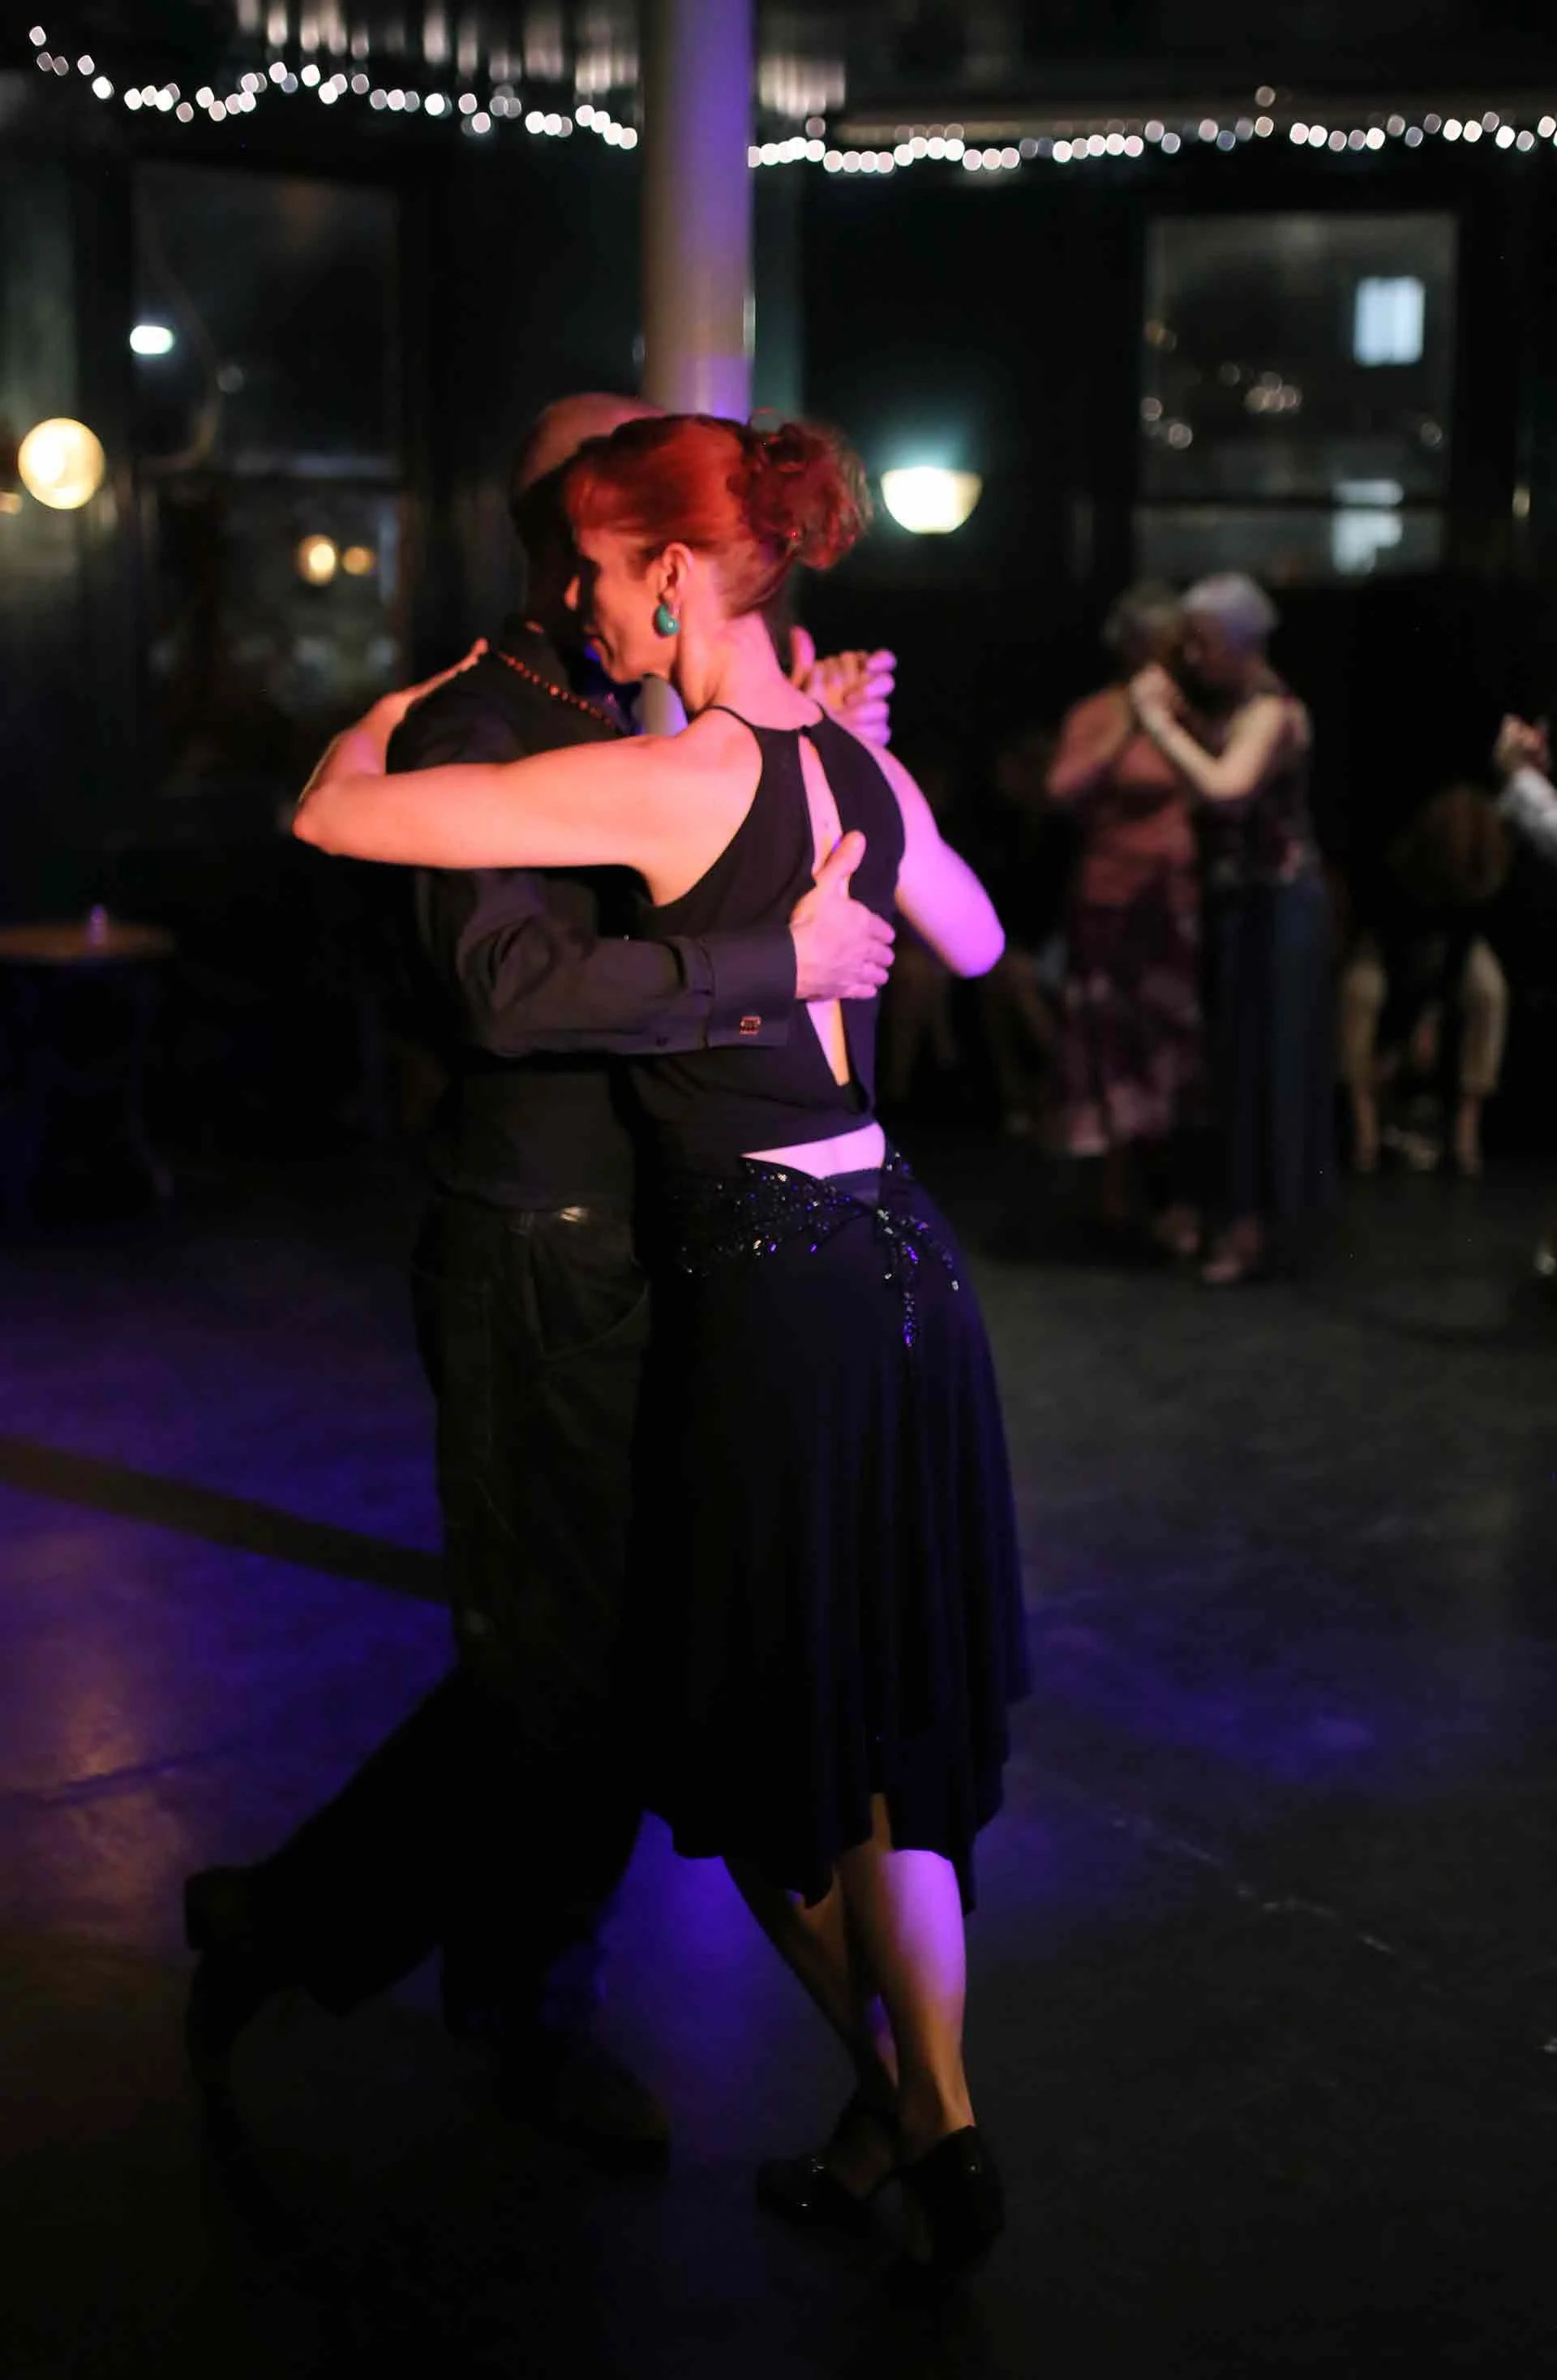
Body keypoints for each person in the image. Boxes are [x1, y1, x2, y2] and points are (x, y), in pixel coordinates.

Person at [293, 412, 1030, 2277]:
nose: (587, 608)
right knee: (883, 1739)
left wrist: (414, 696)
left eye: (611, 578)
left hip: (775, 1292)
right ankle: (926, 2115)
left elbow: (339, 815)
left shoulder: (673, 780)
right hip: (910, 1277)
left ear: (682, 577)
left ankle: (916, 2111)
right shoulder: (861, 773)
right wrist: (864, 783)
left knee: (735, 1728)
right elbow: (981, 938)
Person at [182, 393, 897, 2171]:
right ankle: (467, 1989)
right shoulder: (472, 723)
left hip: (647, 1253)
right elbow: (504, 989)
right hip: (532, 1258)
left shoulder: (635, 700)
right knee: (554, 1674)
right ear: (576, 531)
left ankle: (332, 1930)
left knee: (597, 1665)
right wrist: (766, 957)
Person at [1130, 573, 1332, 1286]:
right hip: (1249, 907)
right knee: (1237, 1066)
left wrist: (1158, 723)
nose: (1191, 655)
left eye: (1203, 642)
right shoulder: (1245, 707)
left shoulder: (1273, 713)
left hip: (1280, 909)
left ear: (1242, 644)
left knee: (1265, 1066)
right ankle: (1247, 1219)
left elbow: (1226, 787)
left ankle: (1255, 1228)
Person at [1045, 585, 1204, 1254]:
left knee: (1166, 1049)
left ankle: (1160, 1195)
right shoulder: (1099, 714)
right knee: (1112, 1046)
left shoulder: (1190, 711)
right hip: (1109, 902)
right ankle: (1122, 1197)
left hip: (1172, 905)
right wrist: (1128, 729)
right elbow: (1061, 790)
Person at [1336, 786, 1512, 1177]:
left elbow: (1461, 945)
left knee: (1489, 991)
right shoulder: (1398, 869)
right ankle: (1363, 1124)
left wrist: (1430, 1017)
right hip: (1389, 945)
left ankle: (1468, 1126)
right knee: (1359, 993)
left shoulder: (1475, 878)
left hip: (1449, 950)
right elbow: (1394, 945)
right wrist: (1405, 1032)